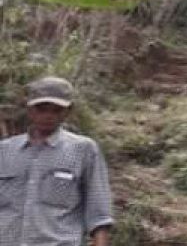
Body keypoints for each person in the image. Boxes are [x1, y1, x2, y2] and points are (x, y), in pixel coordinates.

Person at [0, 77, 114, 246]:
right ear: (29, 109)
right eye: (41, 109)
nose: (48, 116)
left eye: (56, 110)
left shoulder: (83, 150)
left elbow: (99, 214)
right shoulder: (5, 150)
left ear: (68, 111)